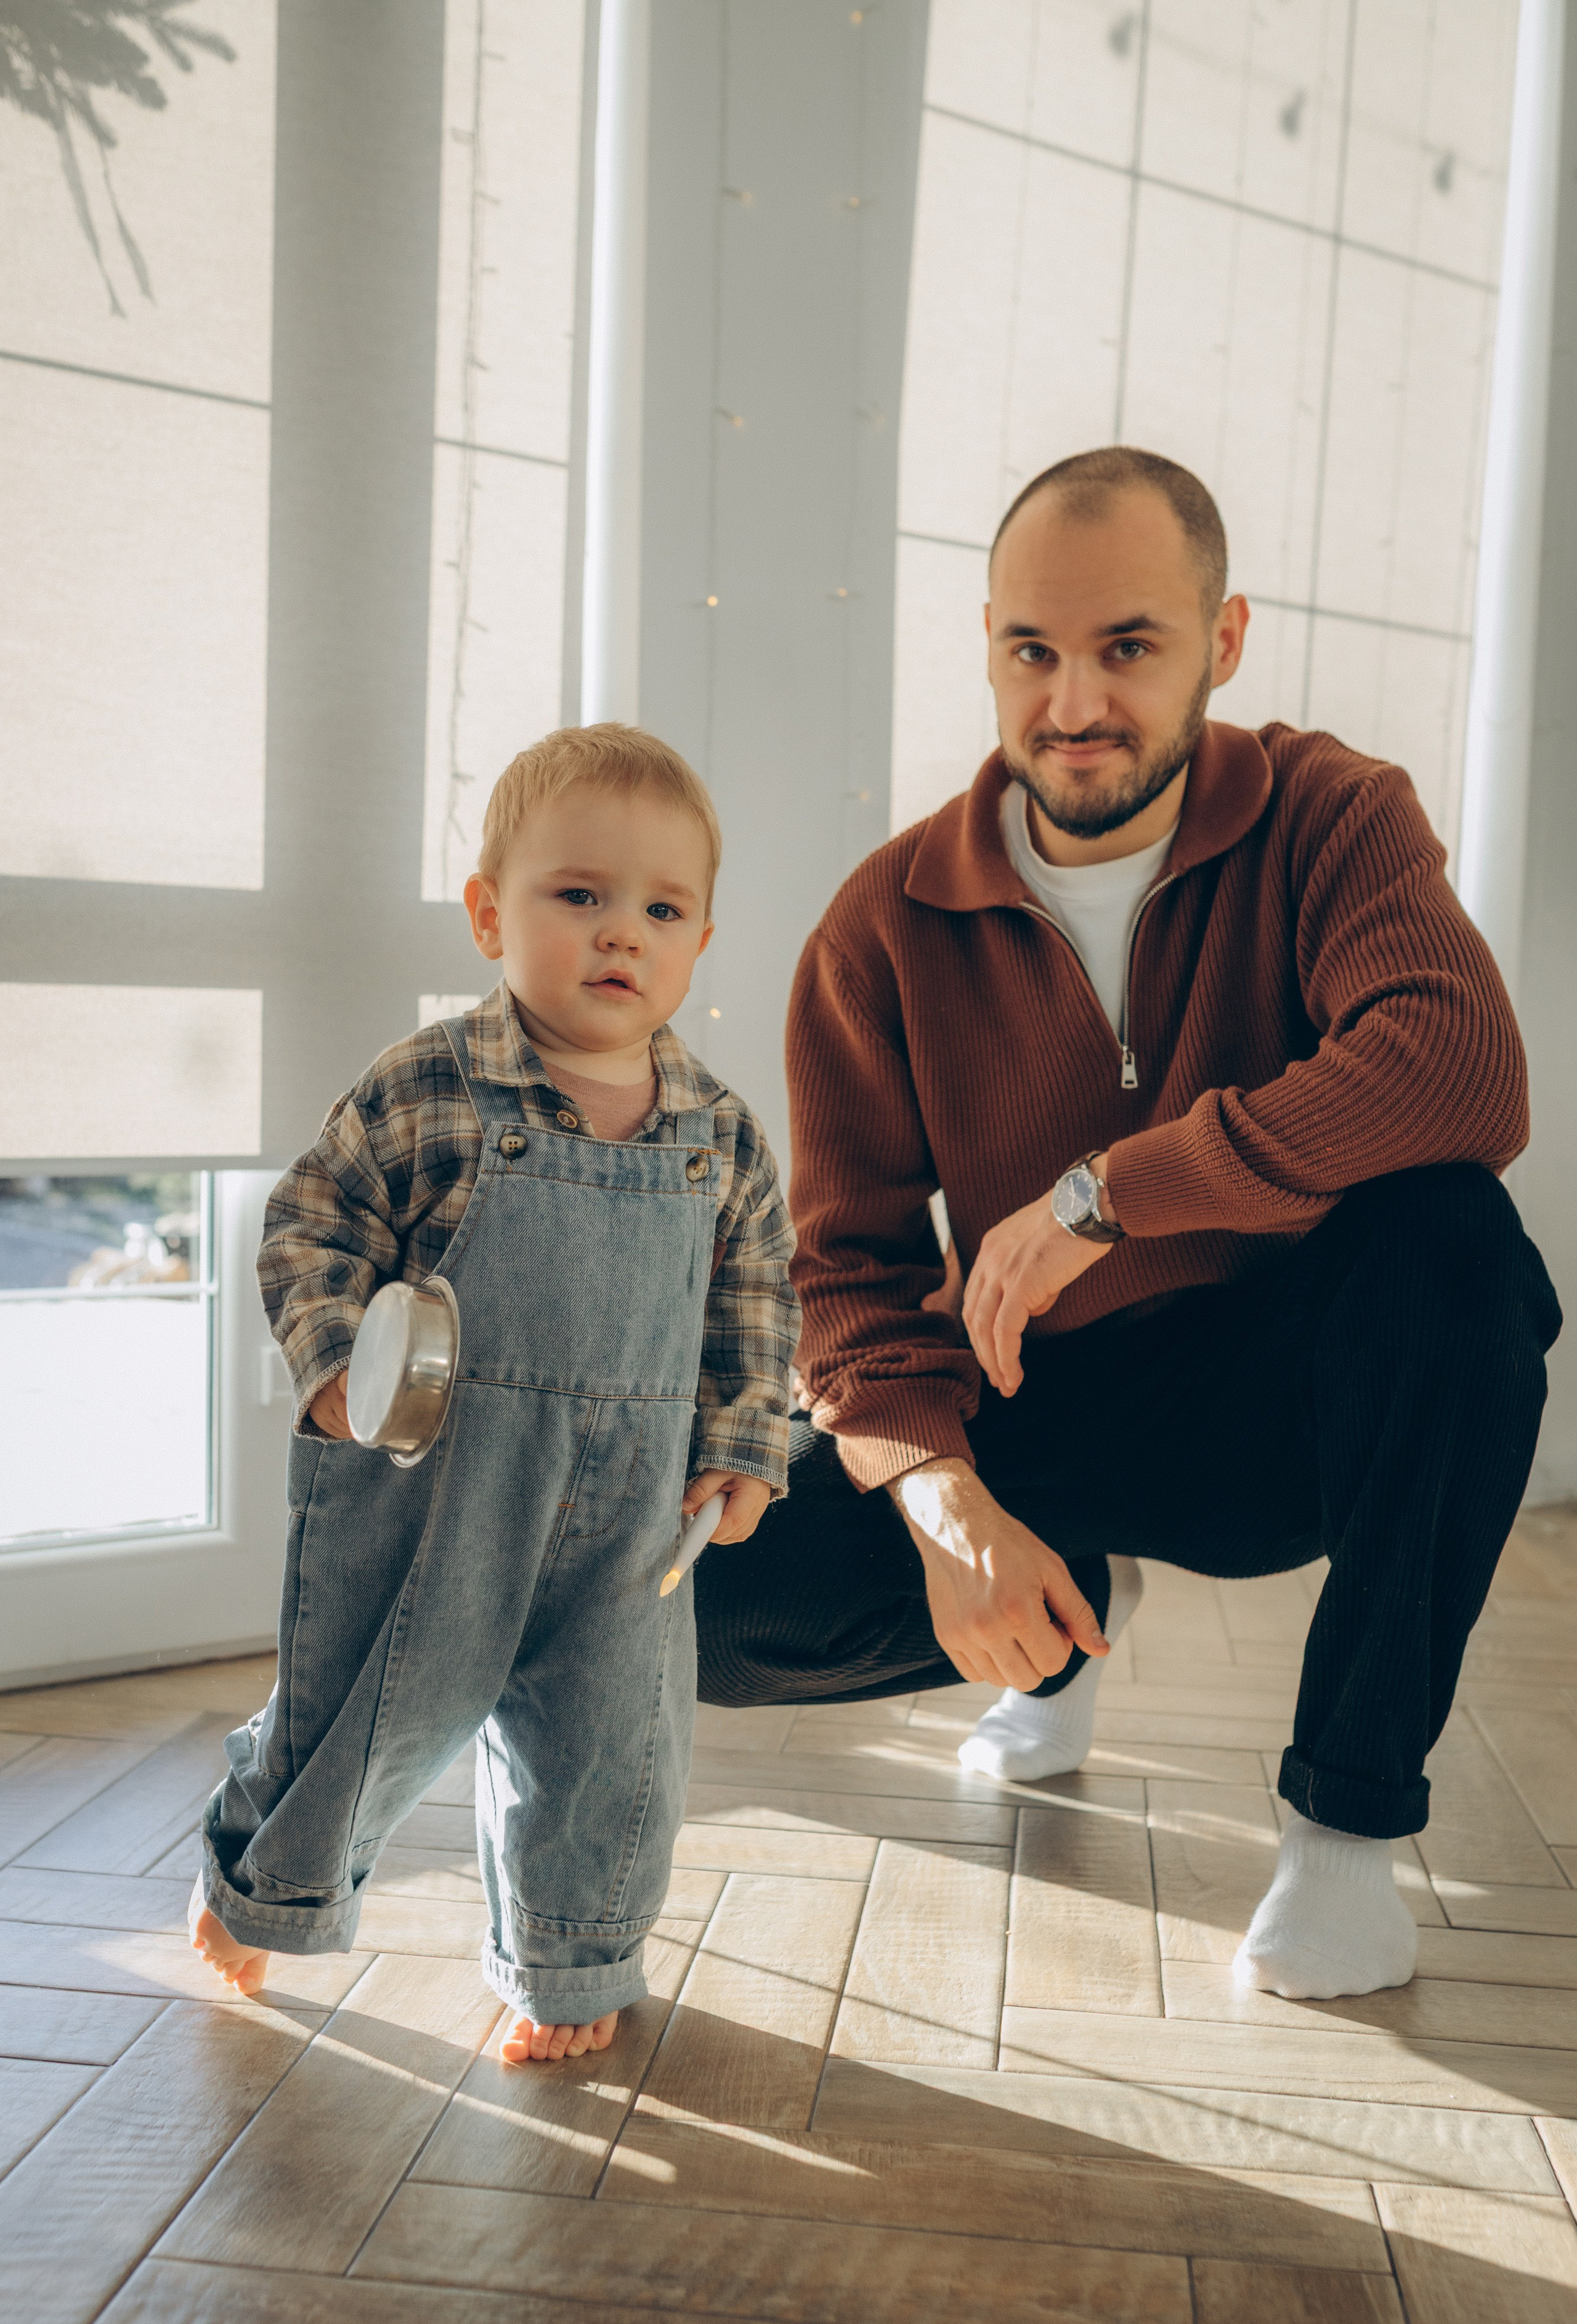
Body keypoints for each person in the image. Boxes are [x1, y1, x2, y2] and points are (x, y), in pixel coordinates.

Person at [695, 446, 1561, 2004]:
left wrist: (1112, 1194)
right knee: (721, 1606)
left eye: (1128, 648)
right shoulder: (879, 928)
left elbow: (1459, 1071)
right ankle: (1057, 1605)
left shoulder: (1332, 815)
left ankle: (1343, 1834)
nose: (1072, 701)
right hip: (1036, 1403)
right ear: (986, 645)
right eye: (1031, 650)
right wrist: (947, 1510)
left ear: (1221, 646)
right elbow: (850, 1277)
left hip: (1282, 1404)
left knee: (1456, 1249)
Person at [190, 724, 798, 2063]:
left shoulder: (722, 1138)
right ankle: (265, 1878)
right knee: (370, 1710)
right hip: (435, 1482)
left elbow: (755, 1302)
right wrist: (342, 1369)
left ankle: (569, 1961)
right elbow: (312, 1223)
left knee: (611, 1753)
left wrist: (744, 1448)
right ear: (488, 915)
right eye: (576, 896)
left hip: (634, 1515)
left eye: (659, 908)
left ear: (699, 942)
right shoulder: (436, 1090)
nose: (617, 935)